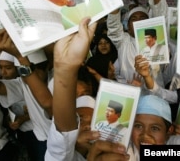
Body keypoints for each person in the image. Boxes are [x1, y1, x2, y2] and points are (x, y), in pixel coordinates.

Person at [45, 17, 129, 161]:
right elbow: (63, 136)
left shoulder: (122, 152)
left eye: (95, 119)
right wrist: (66, 68)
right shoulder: (61, 155)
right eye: (80, 119)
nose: (87, 126)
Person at [0, 23, 53, 161]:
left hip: (62, 144)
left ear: (48, 65)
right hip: (39, 140)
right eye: (24, 71)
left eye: (35, 68)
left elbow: (48, 104)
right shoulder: (23, 82)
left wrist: (20, 57)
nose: (31, 76)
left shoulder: (59, 82)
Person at [107, 0, 168, 84]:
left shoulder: (156, 40)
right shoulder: (123, 41)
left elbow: (161, 13)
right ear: (128, 26)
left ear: (150, 23)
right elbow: (113, 24)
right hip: (127, 95)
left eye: (142, 18)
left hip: (154, 95)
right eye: (134, 19)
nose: (138, 21)